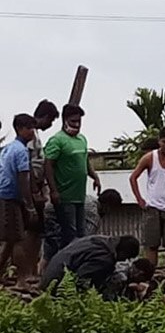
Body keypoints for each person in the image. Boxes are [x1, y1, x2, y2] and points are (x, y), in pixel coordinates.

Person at [44, 104, 102, 251]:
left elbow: (85, 161)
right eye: (73, 121)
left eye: (79, 121)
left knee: (81, 235)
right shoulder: (57, 140)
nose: (76, 125)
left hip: (79, 196)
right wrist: (54, 190)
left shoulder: (82, 139)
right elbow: (48, 165)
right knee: (69, 234)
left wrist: (94, 176)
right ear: (65, 120)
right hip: (64, 196)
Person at [13, 99, 60, 278]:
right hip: (34, 191)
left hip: (37, 189)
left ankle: (31, 270)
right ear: (45, 117)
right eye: (51, 120)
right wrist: (35, 192)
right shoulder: (31, 138)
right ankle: (26, 272)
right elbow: (30, 168)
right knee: (30, 232)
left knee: (36, 232)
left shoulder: (36, 137)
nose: (50, 125)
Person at [39, 189, 122, 275]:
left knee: (52, 247)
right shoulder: (93, 214)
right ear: (108, 205)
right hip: (54, 215)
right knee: (57, 248)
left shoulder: (89, 199)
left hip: (53, 209)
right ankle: (47, 275)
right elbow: (85, 241)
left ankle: (42, 272)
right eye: (111, 209)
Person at [0, 114, 39, 278]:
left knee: (9, 239)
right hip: (10, 197)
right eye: (29, 128)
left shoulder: (8, 148)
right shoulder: (21, 151)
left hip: (3, 194)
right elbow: (24, 179)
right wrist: (29, 206)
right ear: (20, 129)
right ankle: (22, 279)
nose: (32, 132)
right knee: (18, 240)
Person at [40, 234, 143, 295]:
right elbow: (82, 279)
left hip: (50, 274)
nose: (123, 260)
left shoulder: (100, 239)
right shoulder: (104, 258)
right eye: (126, 257)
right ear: (123, 252)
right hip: (57, 285)